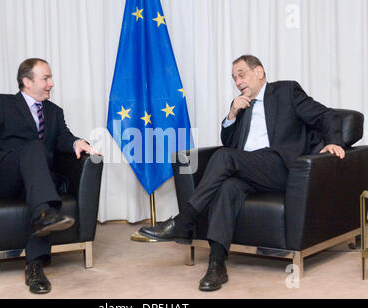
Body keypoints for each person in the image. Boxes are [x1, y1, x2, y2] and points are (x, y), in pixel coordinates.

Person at [139, 55, 346, 292]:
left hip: (280, 167)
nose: (237, 82)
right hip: (249, 169)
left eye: (241, 74)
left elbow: (326, 115)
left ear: (259, 72)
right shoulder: (242, 104)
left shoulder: (286, 91)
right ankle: (216, 266)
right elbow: (228, 140)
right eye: (234, 78)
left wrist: (333, 142)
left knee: (224, 157)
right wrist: (231, 115)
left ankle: (184, 221)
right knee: (228, 188)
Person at [0, 58, 99, 294]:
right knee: (34, 148)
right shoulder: (3, 103)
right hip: (4, 177)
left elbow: (63, 137)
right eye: (45, 78)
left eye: (51, 78)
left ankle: (35, 266)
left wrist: (78, 142)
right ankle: (45, 214)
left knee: (41, 199)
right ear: (27, 81)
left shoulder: (55, 112)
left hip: (36, 182)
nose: (51, 83)